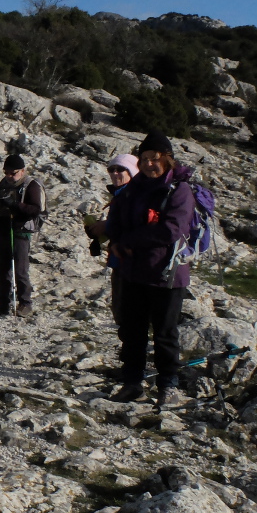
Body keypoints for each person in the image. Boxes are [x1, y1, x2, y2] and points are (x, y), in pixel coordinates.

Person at [105, 132, 196, 409]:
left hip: (166, 275)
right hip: (134, 272)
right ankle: (133, 383)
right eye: (143, 159)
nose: (148, 164)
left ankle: (168, 386)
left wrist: (129, 241)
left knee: (165, 332)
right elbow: (117, 218)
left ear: (167, 159)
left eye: (154, 159)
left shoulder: (180, 190)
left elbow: (171, 229)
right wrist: (116, 239)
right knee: (133, 330)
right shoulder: (134, 189)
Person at [0, 154, 45, 317]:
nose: (9, 176)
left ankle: (25, 303)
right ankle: (3, 304)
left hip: (20, 231)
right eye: (7, 172)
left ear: (23, 171)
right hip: (3, 229)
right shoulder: (4, 183)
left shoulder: (31, 185)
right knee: (1, 268)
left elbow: (35, 209)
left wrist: (15, 205)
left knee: (20, 269)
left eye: (13, 173)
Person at [83, 154, 138, 326]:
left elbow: (133, 225)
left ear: (132, 172)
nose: (115, 173)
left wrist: (107, 227)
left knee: (127, 314)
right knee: (121, 312)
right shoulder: (121, 195)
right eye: (111, 169)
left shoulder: (133, 195)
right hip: (119, 260)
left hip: (130, 263)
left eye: (120, 169)